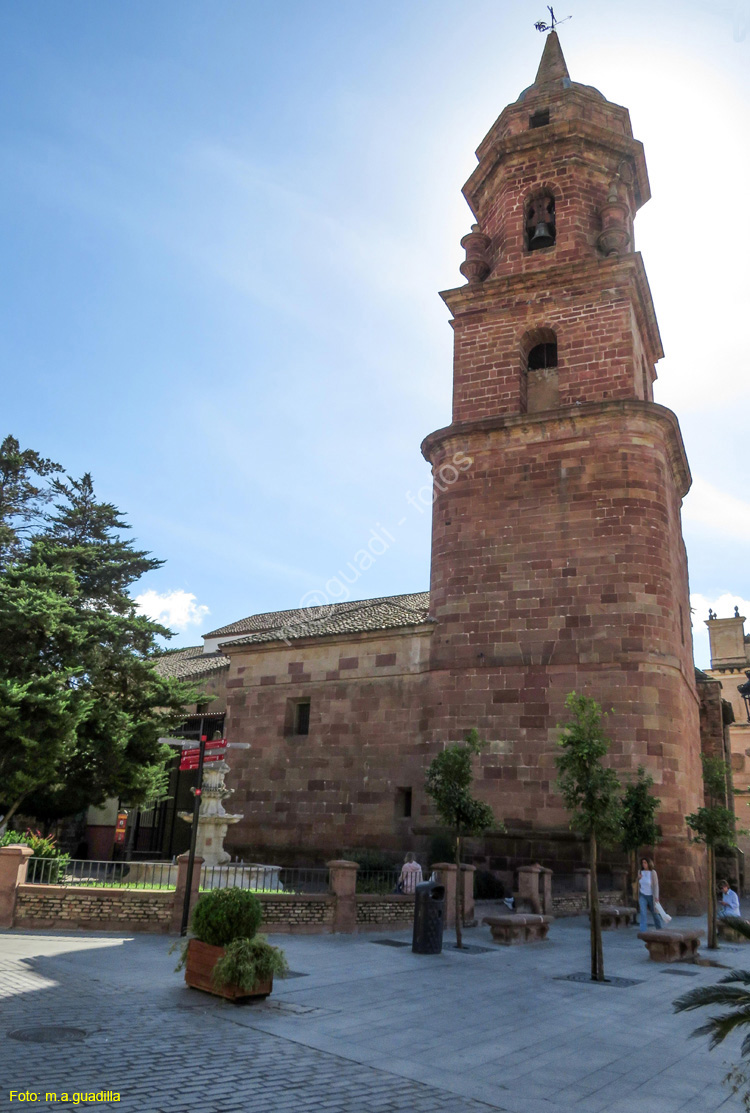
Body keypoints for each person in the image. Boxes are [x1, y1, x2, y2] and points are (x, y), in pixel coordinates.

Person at [637, 857, 663, 932]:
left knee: (655, 913)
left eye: (645, 862)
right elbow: (637, 884)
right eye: (642, 863)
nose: (644, 864)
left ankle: (659, 929)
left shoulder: (653, 873)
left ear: (649, 863)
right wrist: (638, 878)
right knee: (643, 913)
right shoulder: (640, 872)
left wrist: (656, 897)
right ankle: (643, 931)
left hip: (651, 896)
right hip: (642, 895)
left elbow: (655, 885)